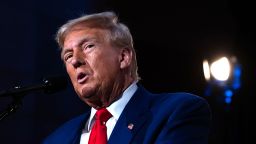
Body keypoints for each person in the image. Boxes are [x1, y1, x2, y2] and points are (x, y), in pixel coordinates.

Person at [43, 11, 211, 144]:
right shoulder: (57, 139)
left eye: (88, 46)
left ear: (123, 57)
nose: (75, 61)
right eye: (68, 56)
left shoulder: (176, 112)